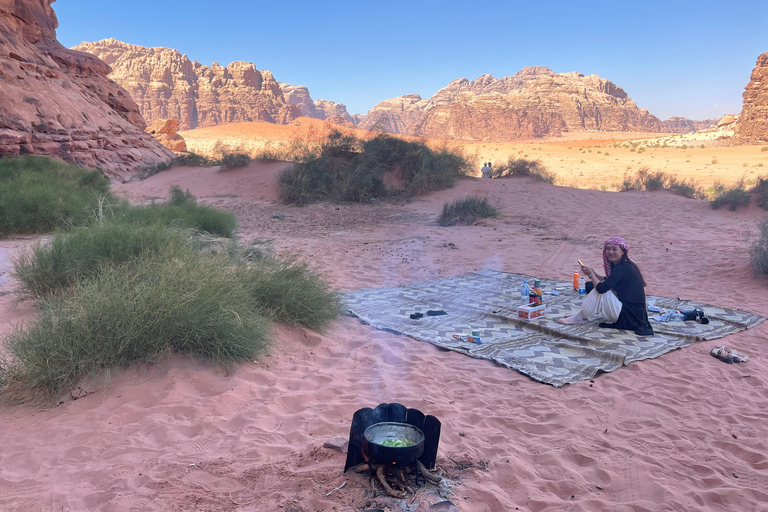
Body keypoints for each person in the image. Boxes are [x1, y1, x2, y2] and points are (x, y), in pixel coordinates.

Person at [558, 236, 654, 336]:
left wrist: (591, 275)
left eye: (615, 249)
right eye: (608, 249)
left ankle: (580, 316)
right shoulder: (622, 264)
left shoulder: (623, 267)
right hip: (631, 313)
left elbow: (601, 289)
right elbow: (608, 281)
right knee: (600, 287)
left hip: (630, 317)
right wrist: (593, 273)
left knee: (599, 290)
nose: (610, 252)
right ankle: (582, 314)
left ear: (623, 251)